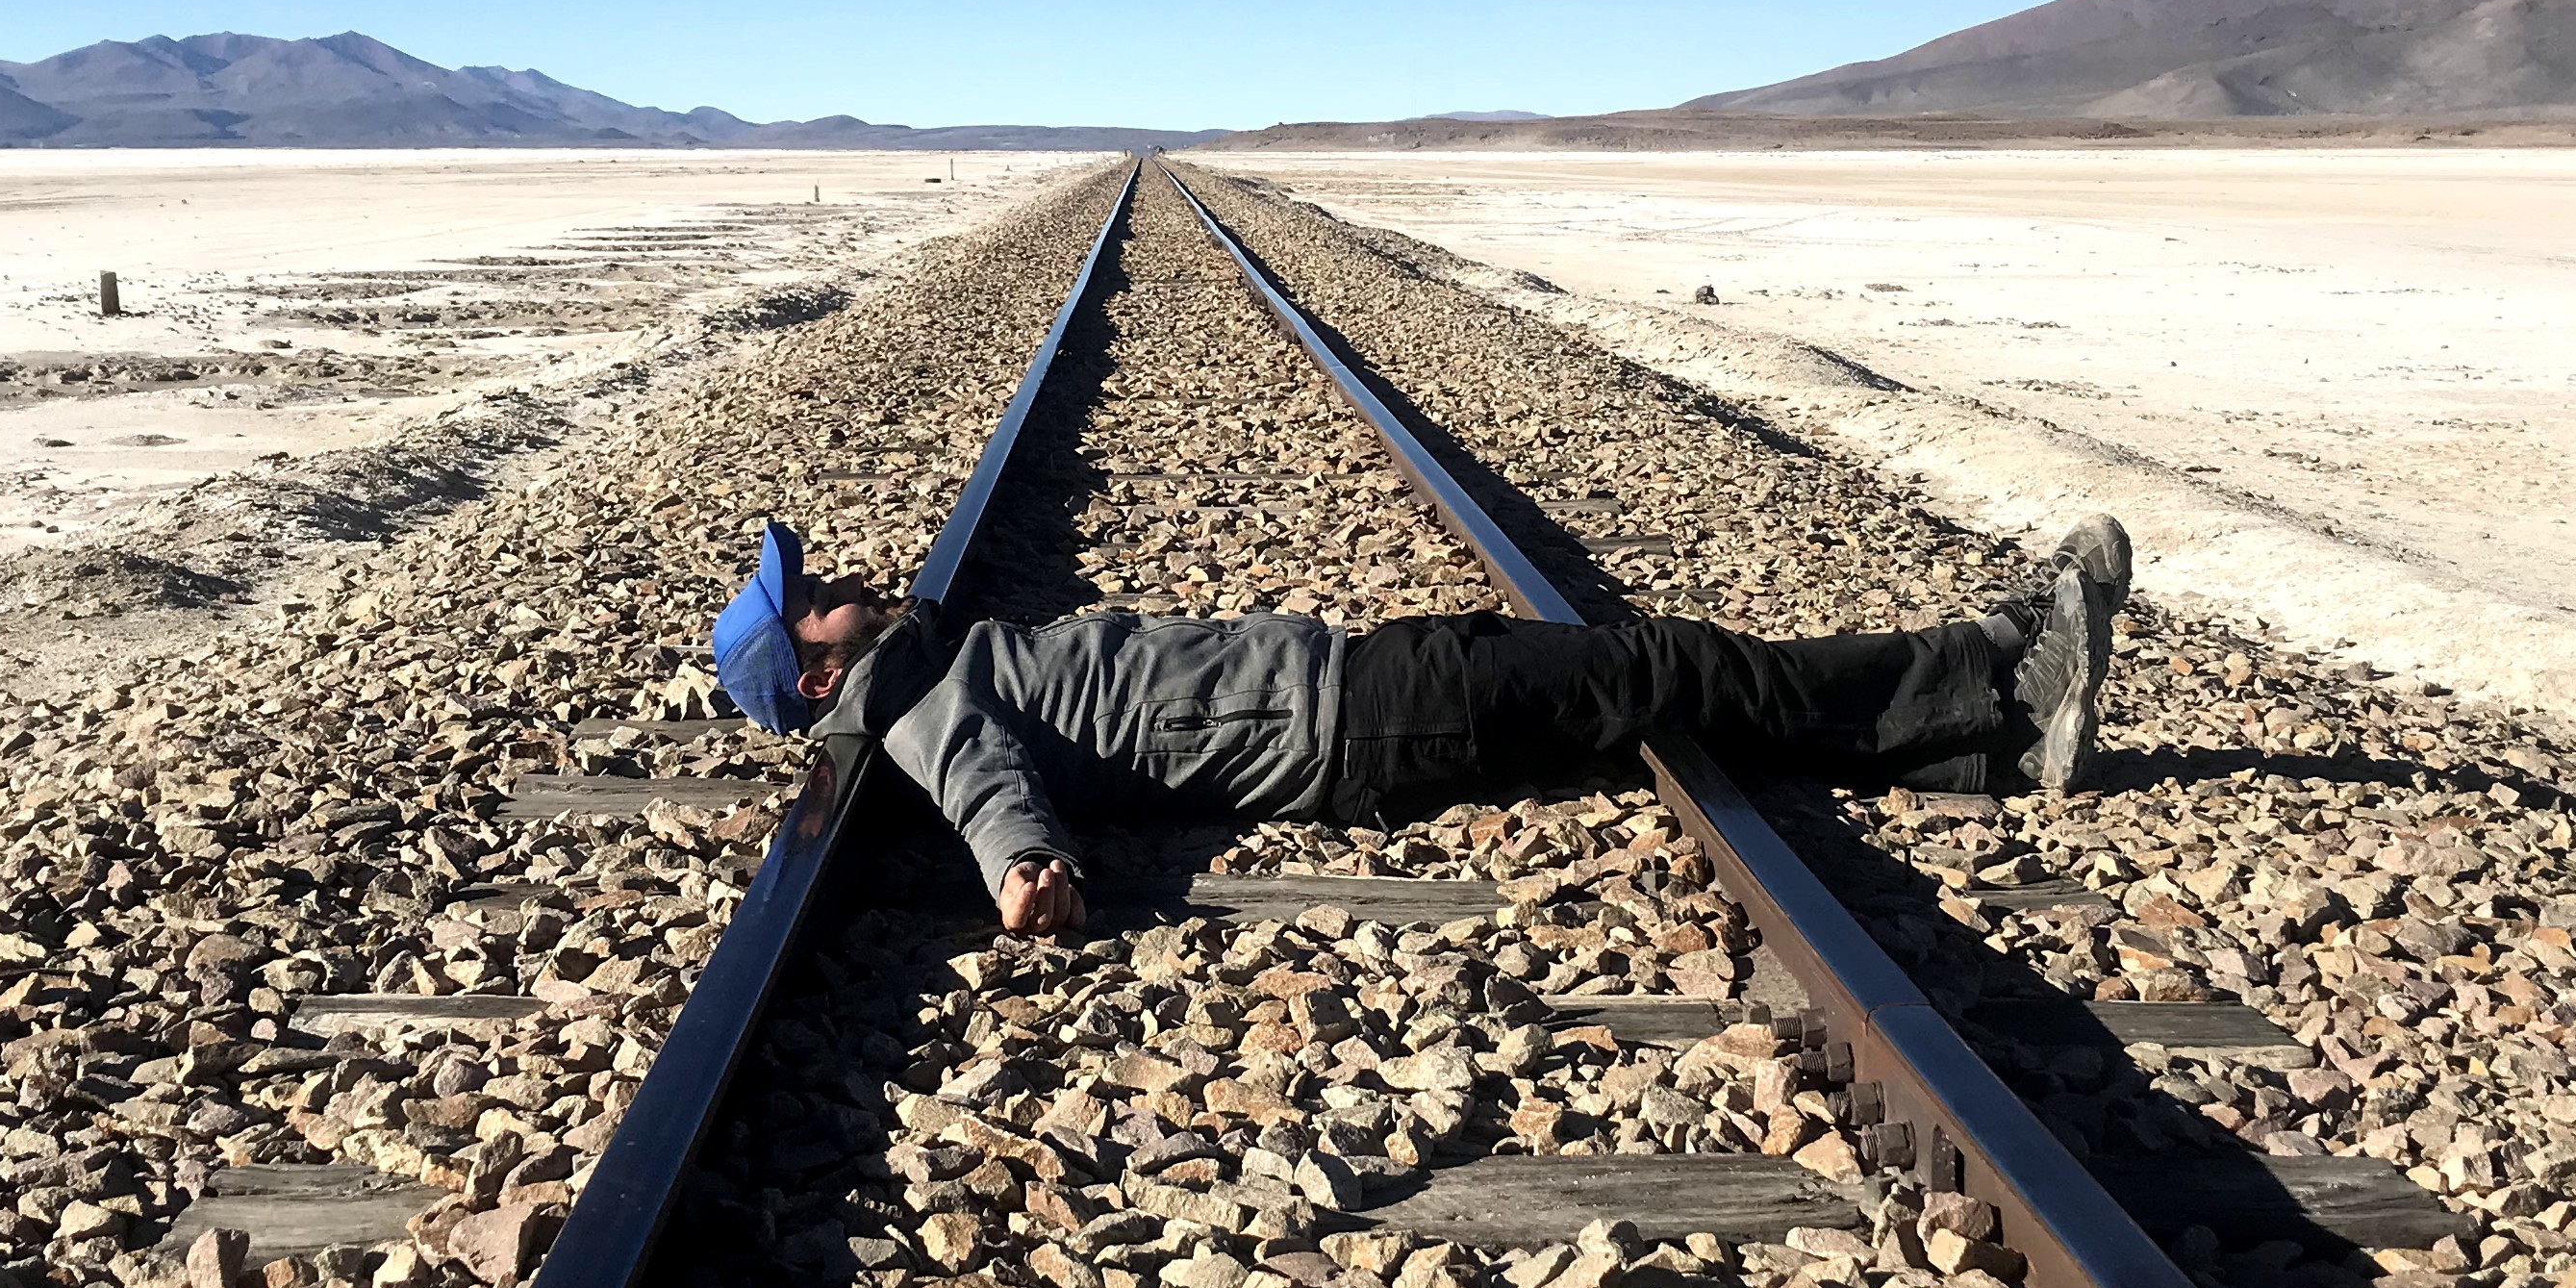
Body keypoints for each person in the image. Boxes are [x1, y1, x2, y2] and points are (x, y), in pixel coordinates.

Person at [708, 516, 2134, 939]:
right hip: (1358, 723)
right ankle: (2000, 665)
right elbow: (993, 801)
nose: (838, 584)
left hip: (1355, 689)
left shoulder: (935, 664)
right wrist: (1027, 876)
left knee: (1642, 693)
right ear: (823, 683)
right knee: (1669, 667)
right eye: (817, 604)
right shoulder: (932, 720)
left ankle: (1981, 749)